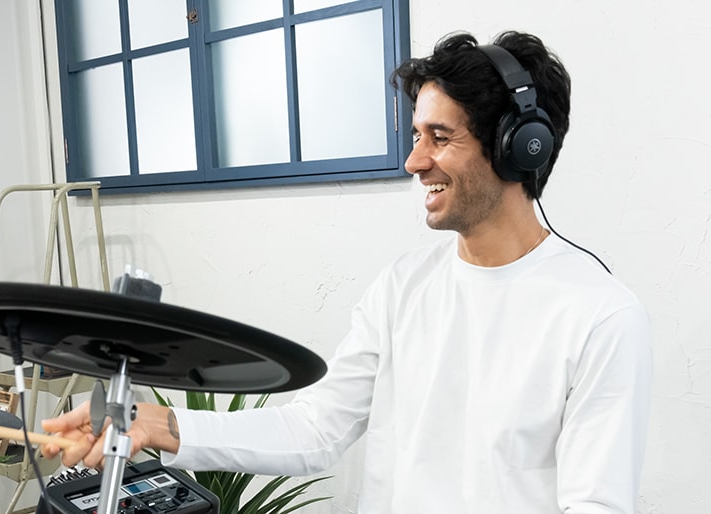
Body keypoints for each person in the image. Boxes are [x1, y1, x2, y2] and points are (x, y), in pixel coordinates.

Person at [42, 30, 652, 513]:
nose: (415, 160)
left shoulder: (600, 316)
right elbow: (317, 428)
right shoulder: (403, 287)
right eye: (416, 134)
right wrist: (162, 424)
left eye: (439, 137)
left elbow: (594, 504)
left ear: (521, 146)